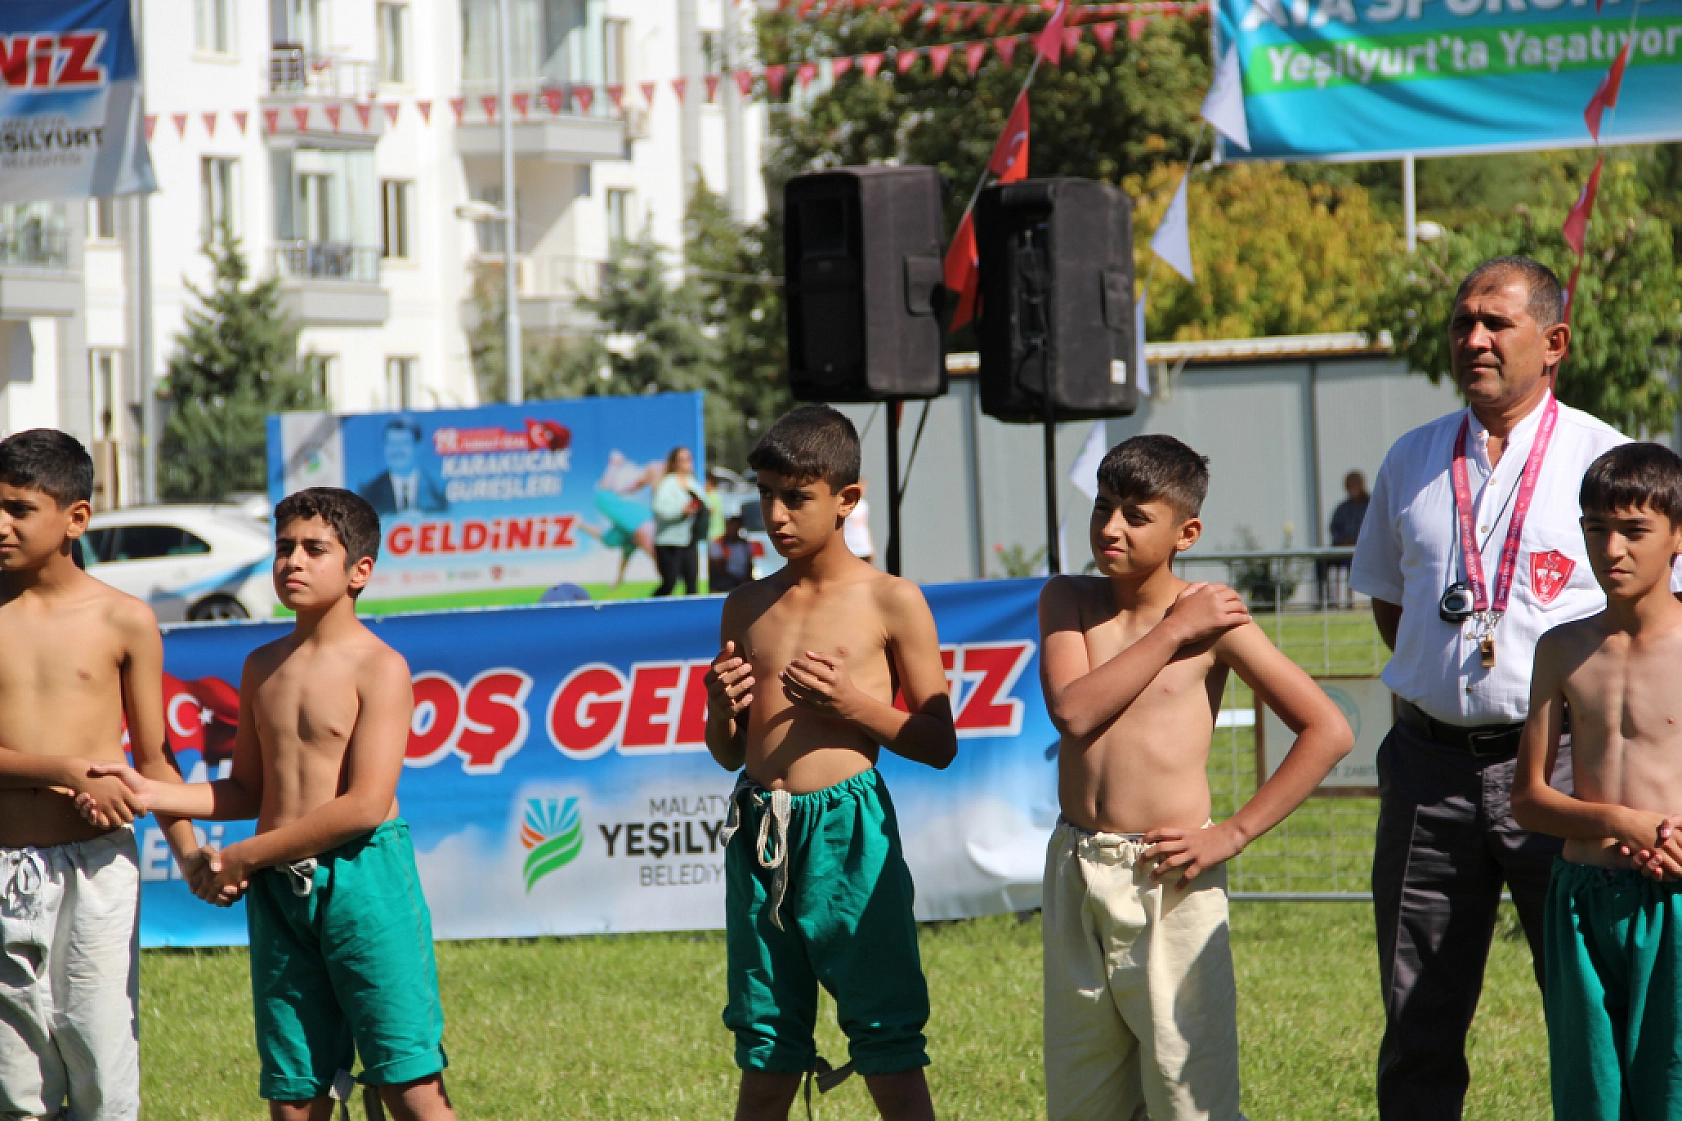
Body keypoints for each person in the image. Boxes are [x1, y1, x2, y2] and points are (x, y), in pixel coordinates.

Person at [1348, 255, 1678, 1120]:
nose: (1475, 338)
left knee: (1596, 1010)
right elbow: (1393, 605)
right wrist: (1456, 685)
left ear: (1554, 341)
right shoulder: (1412, 458)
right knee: (1418, 1017)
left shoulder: (1608, 462)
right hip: (1428, 769)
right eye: (1464, 322)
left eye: (1497, 322)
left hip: (1569, 775)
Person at [84, 488, 456, 1121]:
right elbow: (248, 791)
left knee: (407, 1084)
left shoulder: (380, 667)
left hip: (365, 882)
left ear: (360, 570)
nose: (294, 561)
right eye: (285, 547)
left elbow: (365, 806)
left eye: (315, 549)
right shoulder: (262, 665)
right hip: (279, 892)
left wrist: (245, 856)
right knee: (293, 1094)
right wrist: (151, 792)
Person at [1038, 433, 1353, 1121]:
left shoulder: (1218, 623)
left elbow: (1328, 730)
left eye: (1135, 515)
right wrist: (1174, 632)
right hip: (1076, 869)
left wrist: (1232, 834)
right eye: (1102, 507)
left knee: (1188, 1094)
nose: (1111, 527)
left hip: (1169, 879)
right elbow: (1074, 710)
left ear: (1187, 533)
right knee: (1082, 1097)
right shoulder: (1068, 599)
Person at [703, 405, 957, 1121]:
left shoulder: (891, 600)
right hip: (760, 829)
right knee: (765, 1044)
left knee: (887, 1040)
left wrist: (854, 705)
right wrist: (720, 710)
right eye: (765, 495)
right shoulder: (746, 604)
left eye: (796, 497)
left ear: (848, 498)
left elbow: (938, 742)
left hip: (848, 831)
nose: (775, 515)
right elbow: (729, 751)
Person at [0, 429, 200, 1121]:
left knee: (101, 1062)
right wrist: (68, 772)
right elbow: (80, 770)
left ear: (75, 518)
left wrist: (191, 855)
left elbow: (154, 759)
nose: (1, 524)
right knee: (14, 1082)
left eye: (19, 509)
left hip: (98, 869)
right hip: (4, 863)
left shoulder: (125, 618)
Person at [1510, 443, 1682, 1121]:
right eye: (1596, 529)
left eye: (1634, 531)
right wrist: (1620, 821)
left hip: (1675, 903)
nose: (1612, 549)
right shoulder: (1560, 648)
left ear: (1677, 535)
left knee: (1670, 1090)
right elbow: (1528, 799)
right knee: (1590, 1095)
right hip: (1581, 900)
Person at [358, 418, 448, 516]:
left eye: (403, 443)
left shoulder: (439, 489)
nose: (397, 450)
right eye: (391, 443)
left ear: (418, 447)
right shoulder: (368, 491)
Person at [652, 446, 704, 597]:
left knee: (692, 583)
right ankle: (650, 607)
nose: (687, 463)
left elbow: (702, 503)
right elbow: (659, 509)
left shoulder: (693, 483)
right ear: (674, 463)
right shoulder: (667, 483)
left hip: (689, 540)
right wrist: (681, 510)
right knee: (670, 582)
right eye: (682, 460)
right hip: (669, 542)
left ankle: (692, 611)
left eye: (688, 459)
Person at [1318, 470, 1369, 608]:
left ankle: (1356, 601)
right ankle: (1327, 601)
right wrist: (1341, 541)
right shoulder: (1342, 508)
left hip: (1365, 551)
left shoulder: (1371, 506)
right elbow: (1334, 528)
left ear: (1362, 485)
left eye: (1355, 485)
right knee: (1321, 562)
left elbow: (1376, 528)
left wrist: (1358, 541)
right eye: (1349, 486)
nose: (1352, 489)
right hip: (1343, 549)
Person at [709, 514, 754, 593]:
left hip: (743, 578)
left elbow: (749, 564)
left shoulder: (745, 545)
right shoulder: (718, 544)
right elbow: (719, 568)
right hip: (726, 579)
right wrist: (737, 579)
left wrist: (746, 577)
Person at [843, 477, 874, 566]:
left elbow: (864, 527)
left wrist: (871, 548)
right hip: (851, 548)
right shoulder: (846, 505)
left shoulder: (864, 505)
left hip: (863, 548)